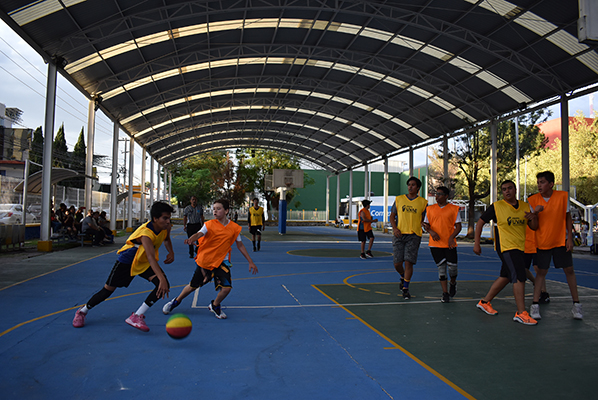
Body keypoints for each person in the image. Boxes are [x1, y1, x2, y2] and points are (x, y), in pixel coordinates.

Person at [72, 201, 175, 331]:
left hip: (143, 262)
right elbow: (151, 257)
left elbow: (166, 239)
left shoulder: (166, 227)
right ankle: (82, 311)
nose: (167, 221)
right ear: (155, 218)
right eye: (165, 218)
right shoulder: (146, 234)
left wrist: (171, 252)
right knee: (107, 291)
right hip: (127, 261)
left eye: (169, 218)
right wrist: (161, 277)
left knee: (162, 286)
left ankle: (137, 316)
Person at [162, 199, 257, 319]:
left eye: (218, 209)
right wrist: (192, 238)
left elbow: (240, 245)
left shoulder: (234, 228)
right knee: (193, 286)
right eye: (214, 209)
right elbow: (199, 234)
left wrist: (250, 261)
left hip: (222, 262)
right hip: (206, 261)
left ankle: (215, 305)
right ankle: (176, 301)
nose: (215, 211)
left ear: (226, 211)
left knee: (226, 289)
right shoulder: (209, 224)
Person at [474, 180, 539, 326]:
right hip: (506, 247)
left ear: (515, 189)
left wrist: (533, 216)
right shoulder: (497, 207)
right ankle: (521, 313)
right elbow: (480, 223)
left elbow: (534, 227)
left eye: (510, 188)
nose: (507, 191)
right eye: (504, 189)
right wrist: (477, 243)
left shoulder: (524, 206)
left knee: (506, 276)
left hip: (520, 247)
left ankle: (485, 302)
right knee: (519, 276)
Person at [528, 171, 583, 320]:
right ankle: (535, 305)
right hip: (543, 242)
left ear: (551, 184)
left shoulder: (562, 196)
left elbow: (567, 217)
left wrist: (569, 238)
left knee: (569, 270)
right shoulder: (532, 200)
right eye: (538, 182)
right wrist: (534, 214)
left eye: (542, 182)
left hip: (560, 240)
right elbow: (533, 226)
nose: (539, 185)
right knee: (541, 272)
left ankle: (576, 305)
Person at [389, 176, 428, 299]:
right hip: (399, 234)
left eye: (413, 185)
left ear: (418, 188)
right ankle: (402, 275)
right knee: (397, 263)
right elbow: (392, 216)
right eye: (409, 184)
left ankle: (406, 288)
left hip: (414, 235)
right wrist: (395, 228)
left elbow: (425, 219)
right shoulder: (399, 199)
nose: (410, 187)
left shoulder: (423, 202)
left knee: (408, 262)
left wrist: (425, 225)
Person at [422, 186, 461, 303]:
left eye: (439, 194)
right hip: (435, 244)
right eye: (436, 194)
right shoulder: (430, 209)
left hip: (450, 244)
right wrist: (431, 231)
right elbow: (425, 225)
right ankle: (445, 293)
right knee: (441, 269)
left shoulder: (454, 209)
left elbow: (458, 226)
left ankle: (453, 283)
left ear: (446, 196)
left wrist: (451, 237)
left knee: (453, 269)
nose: (437, 196)